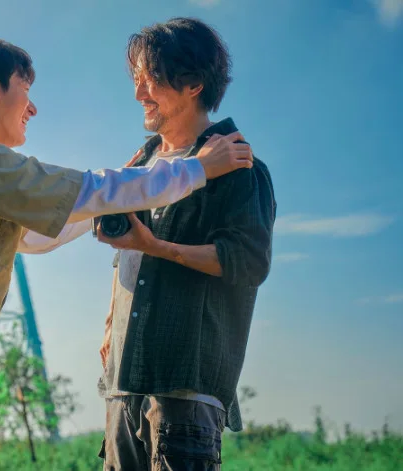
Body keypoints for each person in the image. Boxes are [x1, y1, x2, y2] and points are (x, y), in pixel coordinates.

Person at [0, 36, 252, 471]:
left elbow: (42, 232)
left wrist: (119, 199)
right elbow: (86, 191)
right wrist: (197, 168)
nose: (33, 108)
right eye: (25, 91)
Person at [93, 19, 277, 471]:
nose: (139, 93)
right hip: (121, 385)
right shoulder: (140, 166)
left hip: (184, 390)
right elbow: (126, 254)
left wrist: (158, 246)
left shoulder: (239, 167)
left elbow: (247, 262)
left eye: (151, 79)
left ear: (193, 83)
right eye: (136, 79)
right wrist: (111, 323)